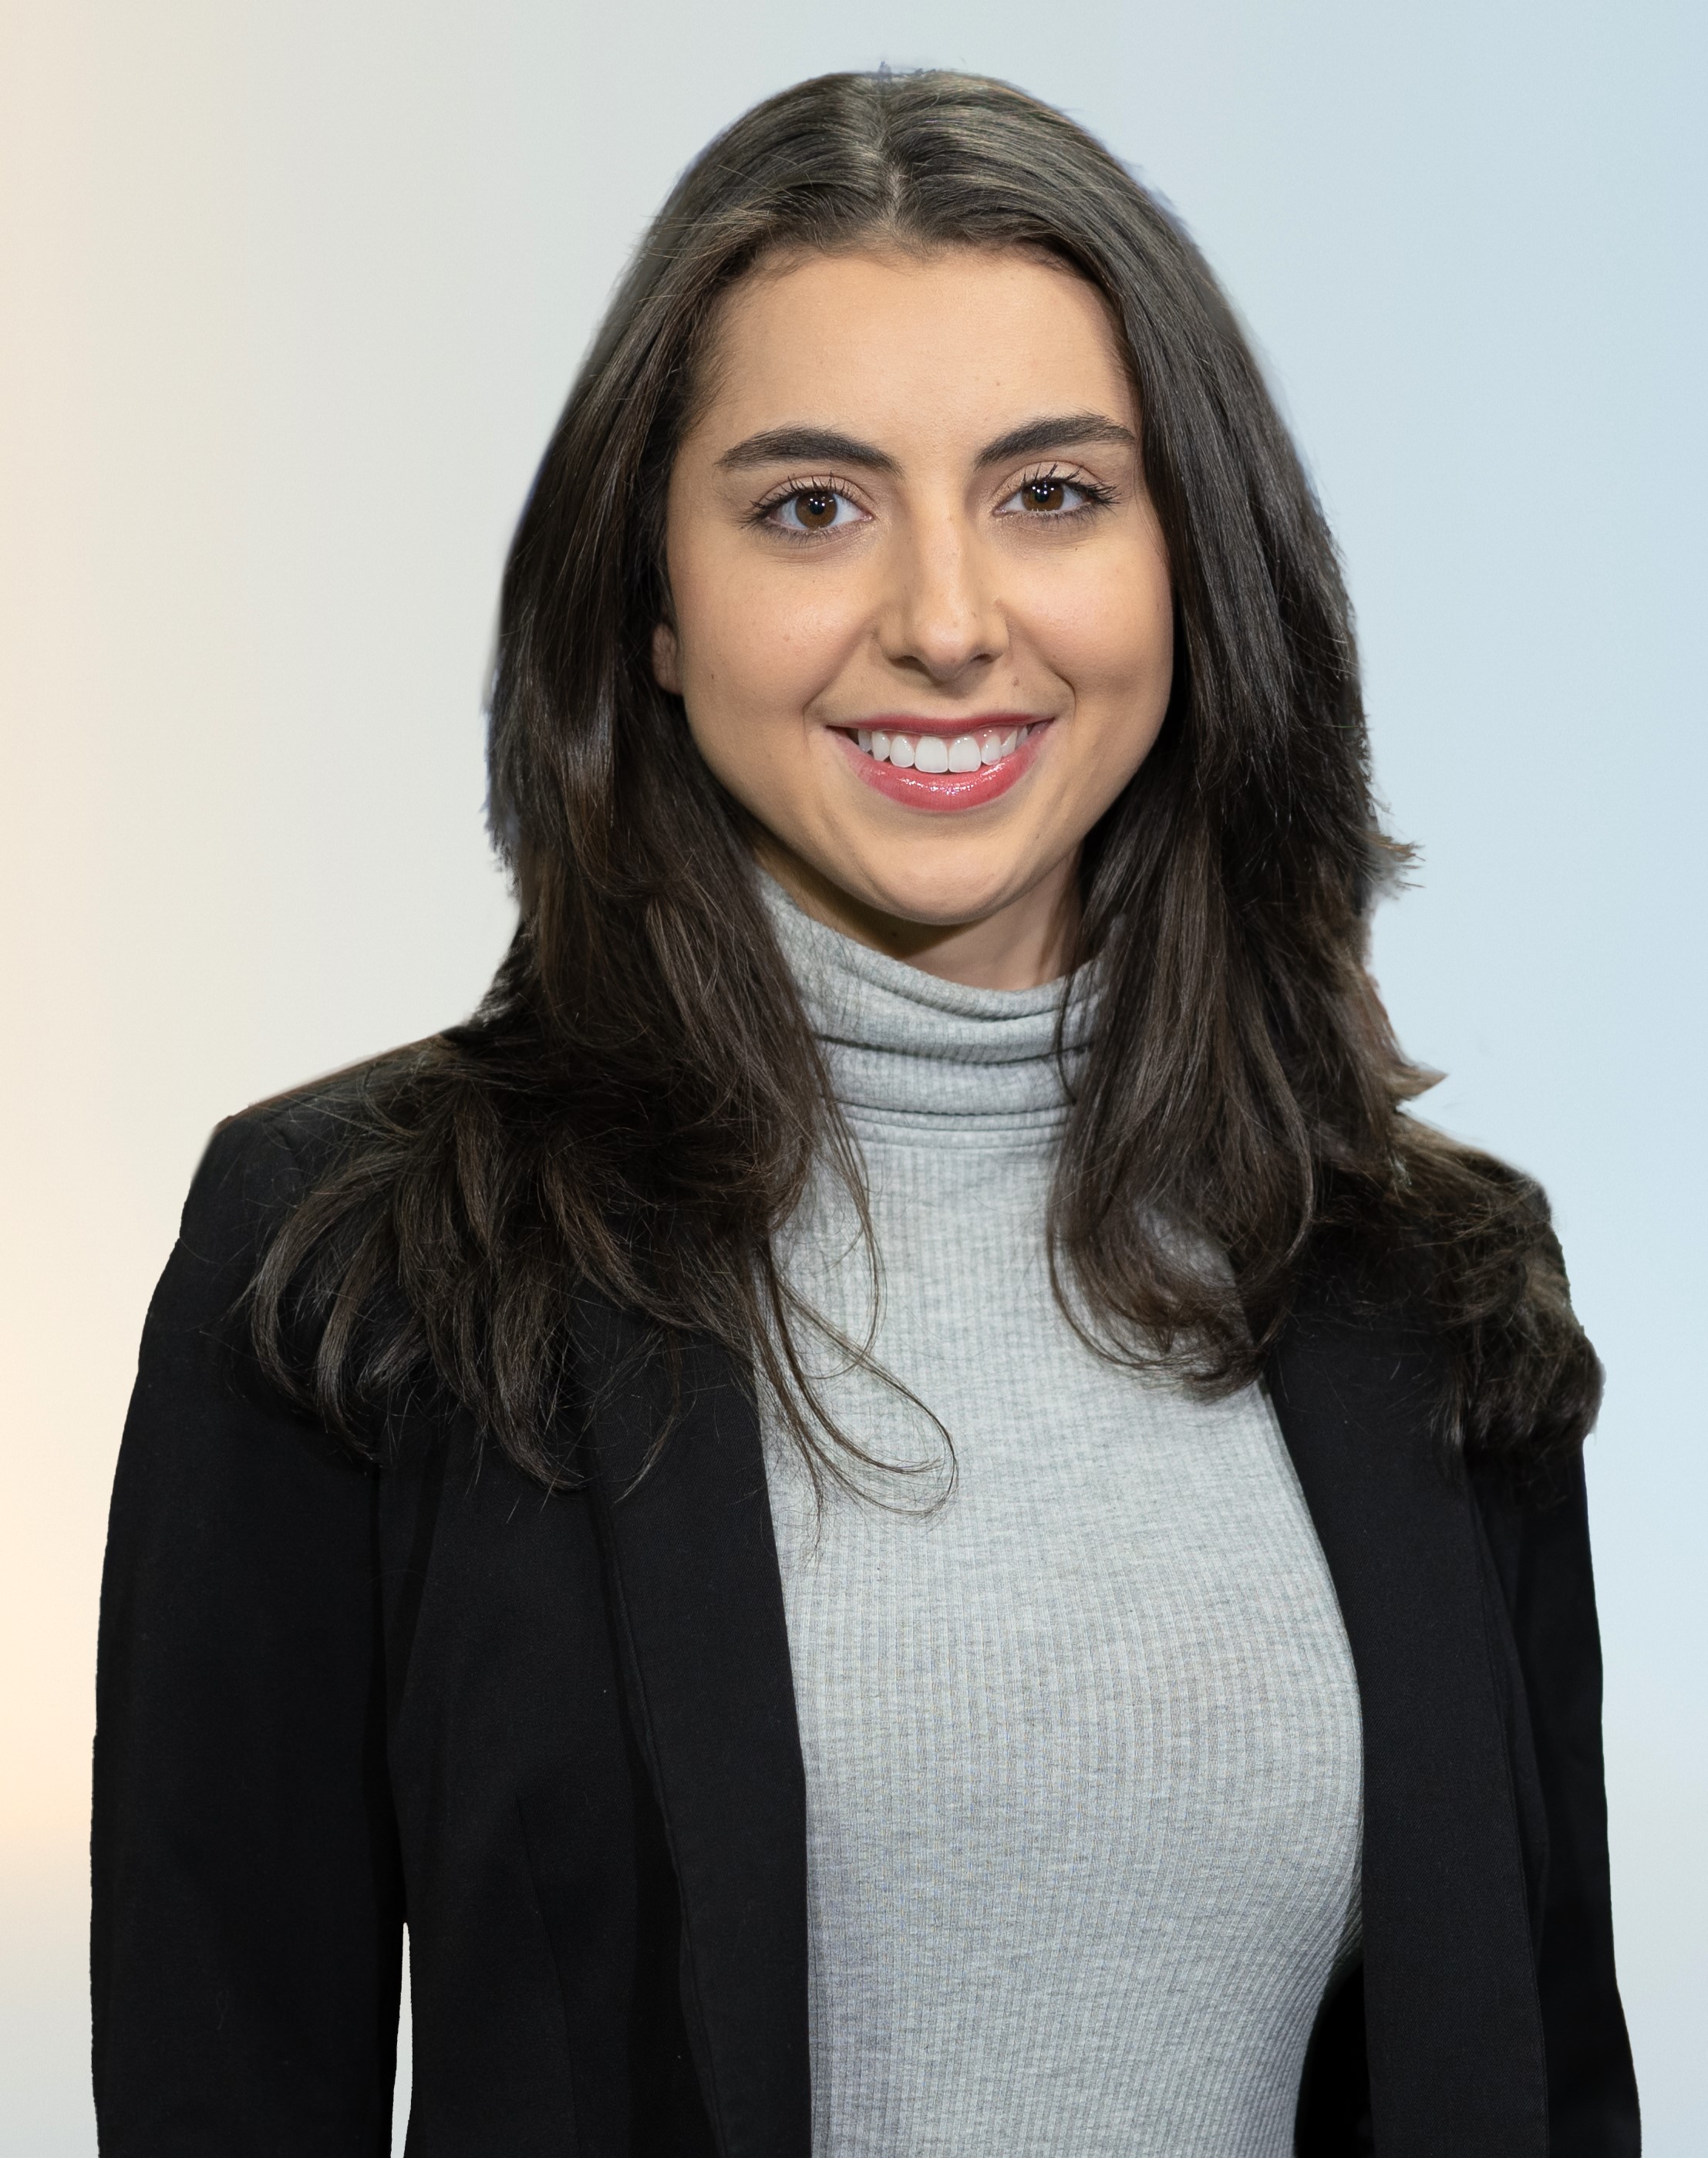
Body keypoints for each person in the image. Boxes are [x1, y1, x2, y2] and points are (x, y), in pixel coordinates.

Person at [91, 68, 1639, 2158]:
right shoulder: (355, 1259)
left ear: (1197, 567)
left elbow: (1541, 2087)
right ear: (650, 606)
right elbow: (222, 2086)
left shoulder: (1437, 1285)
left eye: (1054, 494)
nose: (945, 621)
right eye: (811, 507)